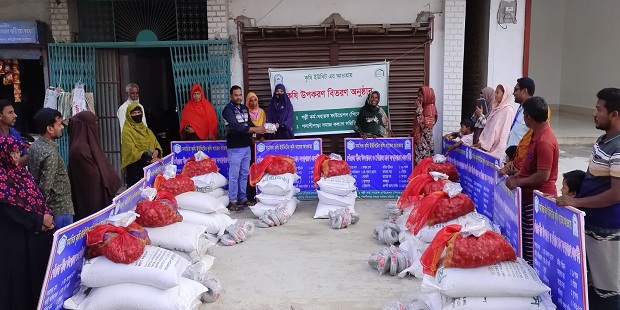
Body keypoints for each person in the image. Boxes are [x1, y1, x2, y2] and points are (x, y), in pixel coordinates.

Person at [556, 88, 620, 308]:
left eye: (598, 109)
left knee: (608, 291)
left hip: (608, 233)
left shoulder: (619, 147)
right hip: (591, 227)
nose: (594, 113)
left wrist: (577, 202)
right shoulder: (603, 141)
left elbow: (616, 194)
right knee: (591, 287)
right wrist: (568, 194)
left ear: (615, 114)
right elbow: (591, 179)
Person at [0, 135, 54, 310]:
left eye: (18, 152)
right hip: (14, 243)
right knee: (18, 285)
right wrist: (39, 220)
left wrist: (46, 217)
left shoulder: (20, 173)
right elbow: (11, 211)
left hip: (34, 237)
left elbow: (36, 197)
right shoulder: (1, 179)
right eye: (12, 153)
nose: (16, 157)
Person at [506, 96, 559, 266]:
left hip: (538, 198)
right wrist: (518, 173)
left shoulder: (544, 140)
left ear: (529, 117)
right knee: (526, 240)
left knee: (531, 244)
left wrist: (518, 182)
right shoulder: (536, 135)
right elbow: (532, 167)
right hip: (529, 195)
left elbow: (543, 175)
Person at [69, 111, 122, 221]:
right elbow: (93, 177)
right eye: (94, 123)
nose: (96, 127)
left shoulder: (87, 144)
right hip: (92, 202)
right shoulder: (80, 148)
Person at [29, 108, 75, 229]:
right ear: (49, 129)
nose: (62, 128)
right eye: (59, 125)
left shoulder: (35, 146)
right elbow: (45, 187)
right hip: (59, 209)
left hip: (51, 210)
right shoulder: (51, 154)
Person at [223, 85, 266, 211]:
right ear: (231, 96)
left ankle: (242, 198)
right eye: (236, 95)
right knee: (234, 175)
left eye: (240, 95)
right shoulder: (227, 110)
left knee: (244, 174)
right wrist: (255, 129)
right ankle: (233, 200)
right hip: (235, 147)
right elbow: (237, 126)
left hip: (246, 146)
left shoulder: (244, 108)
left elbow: (250, 124)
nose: (238, 97)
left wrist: (263, 129)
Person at [121, 103, 162, 187]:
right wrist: (148, 155)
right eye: (134, 113)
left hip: (148, 166)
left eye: (139, 113)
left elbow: (155, 143)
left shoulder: (146, 130)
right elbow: (131, 151)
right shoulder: (127, 131)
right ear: (129, 115)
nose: (137, 115)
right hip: (134, 168)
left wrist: (156, 151)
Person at [475, 84, 515, 160]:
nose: (495, 95)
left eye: (497, 93)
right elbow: (489, 128)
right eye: (495, 92)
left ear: (504, 95)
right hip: (487, 147)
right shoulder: (495, 108)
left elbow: (504, 134)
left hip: (497, 150)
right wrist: (483, 143)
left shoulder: (508, 111)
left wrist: (498, 152)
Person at [246, 92, 266, 202]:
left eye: (255, 100)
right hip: (249, 144)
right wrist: (251, 139)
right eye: (251, 100)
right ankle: (251, 194)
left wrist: (261, 138)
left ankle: (261, 192)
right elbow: (245, 128)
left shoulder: (262, 112)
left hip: (260, 145)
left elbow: (265, 127)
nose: (253, 103)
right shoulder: (245, 112)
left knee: (260, 168)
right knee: (250, 168)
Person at [412, 86, 438, 164]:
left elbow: (425, 127)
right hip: (420, 144)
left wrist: (419, 109)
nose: (418, 98)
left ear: (426, 96)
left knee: (423, 168)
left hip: (424, 146)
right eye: (418, 96)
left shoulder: (430, 109)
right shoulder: (425, 107)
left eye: (420, 96)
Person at [0, 99, 27, 166]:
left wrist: (12, 163)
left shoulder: (13, 133)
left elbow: (26, 156)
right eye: (10, 112)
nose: (15, 115)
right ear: (0, 116)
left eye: (13, 112)